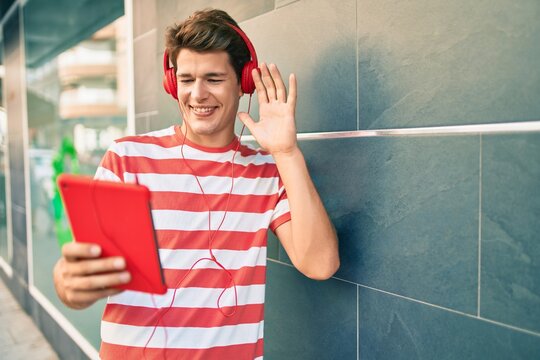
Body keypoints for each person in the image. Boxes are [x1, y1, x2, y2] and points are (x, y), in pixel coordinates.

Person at [53, 8, 339, 359]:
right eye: (187, 80)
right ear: (173, 83)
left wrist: (287, 152)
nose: (198, 94)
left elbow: (321, 264)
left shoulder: (268, 171)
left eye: (214, 79)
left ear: (243, 82)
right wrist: (69, 282)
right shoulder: (127, 158)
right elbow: (82, 269)